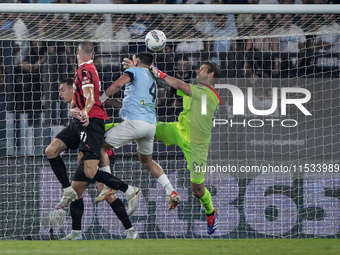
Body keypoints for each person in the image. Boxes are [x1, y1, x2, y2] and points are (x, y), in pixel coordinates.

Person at [46, 42, 140, 217]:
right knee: (51, 150)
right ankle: (67, 190)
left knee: (89, 172)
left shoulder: (86, 70)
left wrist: (85, 111)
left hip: (92, 122)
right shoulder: (82, 70)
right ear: (93, 53)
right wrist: (74, 109)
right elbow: (78, 99)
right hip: (81, 122)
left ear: (77, 51)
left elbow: (90, 98)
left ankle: (129, 190)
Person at [46, 78, 138, 240]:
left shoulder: (84, 106)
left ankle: (131, 230)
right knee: (76, 192)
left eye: (62, 89)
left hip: (101, 155)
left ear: (73, 90)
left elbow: (89, 129)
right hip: (89, 152)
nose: (59, 93)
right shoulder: (75, 109)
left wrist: (82, 151)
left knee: (107, 193)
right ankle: (76, 233)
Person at [96, 52, 180, 210]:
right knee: (147, 161)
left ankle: (107, 185)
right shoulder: (152, 79)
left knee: (100, 146)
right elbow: (128, 102)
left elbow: (117, 85)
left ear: (137, 61)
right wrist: (107, 102)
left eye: (133, 60)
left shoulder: (134, 71)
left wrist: (100, 98)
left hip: (135, 123)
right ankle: (171, 191)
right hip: (150, 126)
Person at [150, 61, 221, 235]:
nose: (198, 70)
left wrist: (158, 72)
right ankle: (108, 134)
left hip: (196, 145)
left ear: (211, 75)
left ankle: (211, 212)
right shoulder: (191, 90)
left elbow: (179, 85)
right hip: (178, 130)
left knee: (197, 190)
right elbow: (172, 88)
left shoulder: (210, 95)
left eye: (202, 69)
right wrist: (145, 70)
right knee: (144, 129)